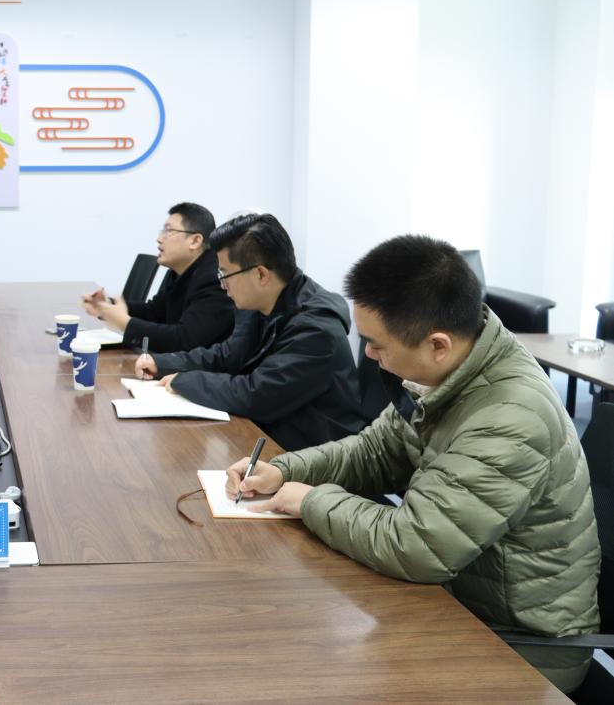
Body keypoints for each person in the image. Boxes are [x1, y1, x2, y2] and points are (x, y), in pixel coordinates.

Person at [225, 235, 600, 693]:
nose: (367, 354)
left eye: (375, 344)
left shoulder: (510, 417)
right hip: (456, 601)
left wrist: (310, 501)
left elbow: (416, 546)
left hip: (523, 646)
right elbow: (375, 451)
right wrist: (286, 470)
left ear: (437, 344)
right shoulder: (451, 371)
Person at [137, 212, 363, 450]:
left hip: (313, 455)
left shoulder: (316, 329)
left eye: (225, 274)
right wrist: (163, 363)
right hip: (271, 436)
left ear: (261, 274)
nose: (222, 285)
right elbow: (228, 355)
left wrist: (184, 380)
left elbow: (256, 395)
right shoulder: (263, 302)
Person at [82, 202, 233, 354]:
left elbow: (184, 340)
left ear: (195, 241)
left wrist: (125, 323)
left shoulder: (215, 278)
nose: (159, 239)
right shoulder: (180, 271)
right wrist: (106, 306)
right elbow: (154, 312)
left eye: (169, 231)